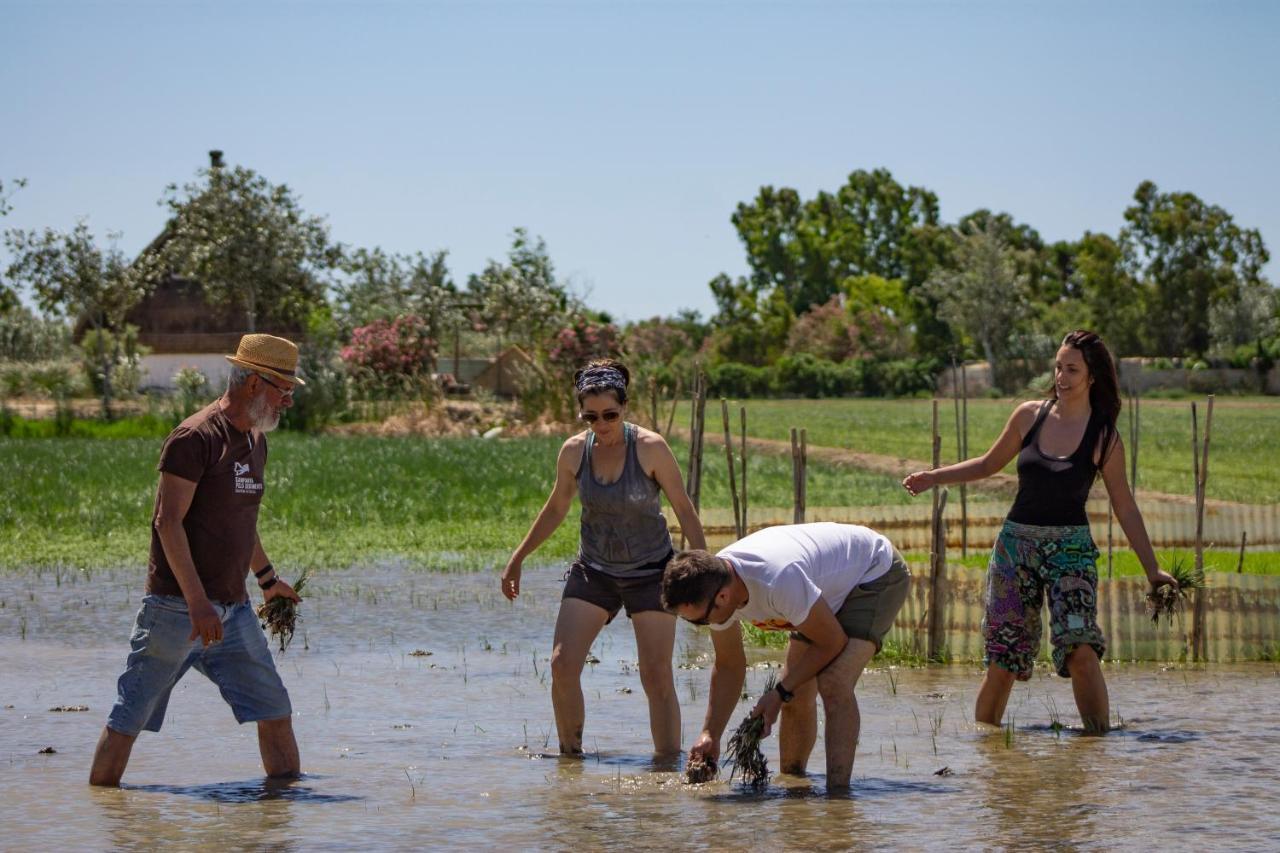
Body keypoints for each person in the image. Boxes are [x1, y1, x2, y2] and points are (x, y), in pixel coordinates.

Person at [902, 330, 1176, 732]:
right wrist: (932, 476)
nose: (1061, 377)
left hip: (1071, 551)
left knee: (1081, 650)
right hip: (1016, 551)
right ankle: (991, 755)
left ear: (1092, 376)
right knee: (1004, 659)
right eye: (1058, 367)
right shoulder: (1030, 415)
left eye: (1072, 369)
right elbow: (985, 464)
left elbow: (1126, 507)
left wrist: (1153, 570)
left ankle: (1097, 750)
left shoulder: (1104, 437)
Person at [89, 334, 305, 786]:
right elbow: (167, 524)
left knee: (275, 710)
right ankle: (105, 812)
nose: (287, 400)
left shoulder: (256, 441)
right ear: (252, 383)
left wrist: (268, 580)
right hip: (175, 611)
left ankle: (280, 823)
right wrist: (197, 603)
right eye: (282, 389)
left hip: (235, 612)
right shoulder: (194, 438)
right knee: (129, 719)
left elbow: (242, 522)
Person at [501, 359, 706, 758]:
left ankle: (667, 767)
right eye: (591, 416)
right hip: (594, 571)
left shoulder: (650, 448)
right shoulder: (574, 452)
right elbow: (557, 506)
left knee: (655, 675)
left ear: (624, 407)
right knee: (562, 665)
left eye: (610, 414)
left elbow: (683, 508)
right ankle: (570, 759)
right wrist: (518, 556)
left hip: (651, 572)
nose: (602, 424)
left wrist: (703, 573)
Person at [661, 522, 910, 789]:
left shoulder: (777, 579)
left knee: (834, 682)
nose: (701, 626)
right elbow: (729, 665)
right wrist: (710, 733)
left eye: (699, 621)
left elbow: (832, 642)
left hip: (872, 572)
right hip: (820, 590)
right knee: (797, 693)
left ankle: (838, 801)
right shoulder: (713, 584)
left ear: (722, 597)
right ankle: (794, 789)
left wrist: (778, 693)